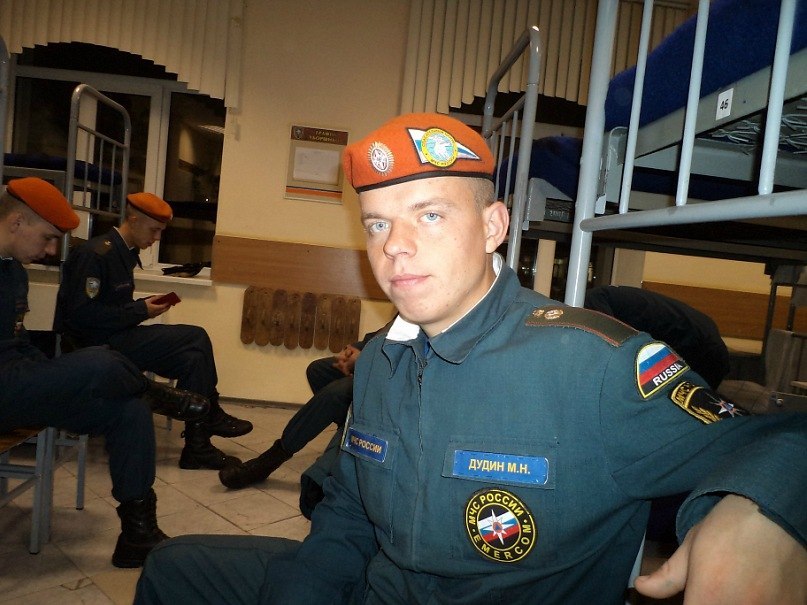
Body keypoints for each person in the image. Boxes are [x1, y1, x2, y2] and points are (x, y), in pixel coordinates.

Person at [135, 114, 806, 604]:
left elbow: (782, 442)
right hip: (378, 588)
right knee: (175, 570)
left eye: (428, 215)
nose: (394, 245)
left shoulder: (591, 364)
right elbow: (350, 507)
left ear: (493, 226)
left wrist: (757, 515)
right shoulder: (381, 360)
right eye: (377, 223)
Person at [0, 177, 212, 567]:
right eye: (48, 238)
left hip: (19, 382)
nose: (51, 251)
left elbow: (17, 340)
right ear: (16, 222)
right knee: (100, 359)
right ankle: (154, 392)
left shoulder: (14, 271)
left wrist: (46, 374)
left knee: (130, 411)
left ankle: (137, 535)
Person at [54, 192, 252, 470]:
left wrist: (143, 306)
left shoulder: (124, 253)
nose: (157, 238)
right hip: (94, 347)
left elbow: (111, 307)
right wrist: (140, 310)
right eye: (154, 230)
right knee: (196, 336)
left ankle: (197, 447)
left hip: (116, 337)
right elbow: (81, 315)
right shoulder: (96, 254)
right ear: (134, 220)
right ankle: (211, 414)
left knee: (193, 358)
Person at [219, 328, 381, 497]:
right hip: (377, 364)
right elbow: (386, 331)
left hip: (392, 381)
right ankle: (345, 439)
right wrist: (355, 350)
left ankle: (271, 459)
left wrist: (365, 359)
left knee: (335, 394)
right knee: (318, 370)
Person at [584, 285, 730, 389]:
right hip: (701, 339)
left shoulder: (593, 301)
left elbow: (606, 351)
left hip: (701, 348)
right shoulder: (601, 297)